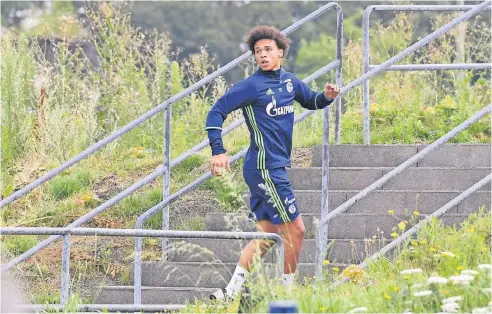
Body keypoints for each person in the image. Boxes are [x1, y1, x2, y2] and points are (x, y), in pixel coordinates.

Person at [205, 25, 340, 301]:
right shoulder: (252, 86)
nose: (263, 55)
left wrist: (326, 97)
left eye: (268, 49)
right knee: (297, 231)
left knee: (266, 235)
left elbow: (310, 100)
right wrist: (218, 151)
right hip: (264, 168)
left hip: (271, 168)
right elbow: (216, 112)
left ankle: (230, 292)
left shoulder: (289, 82)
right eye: (257, 52)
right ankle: (286, 295)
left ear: (280, 52)